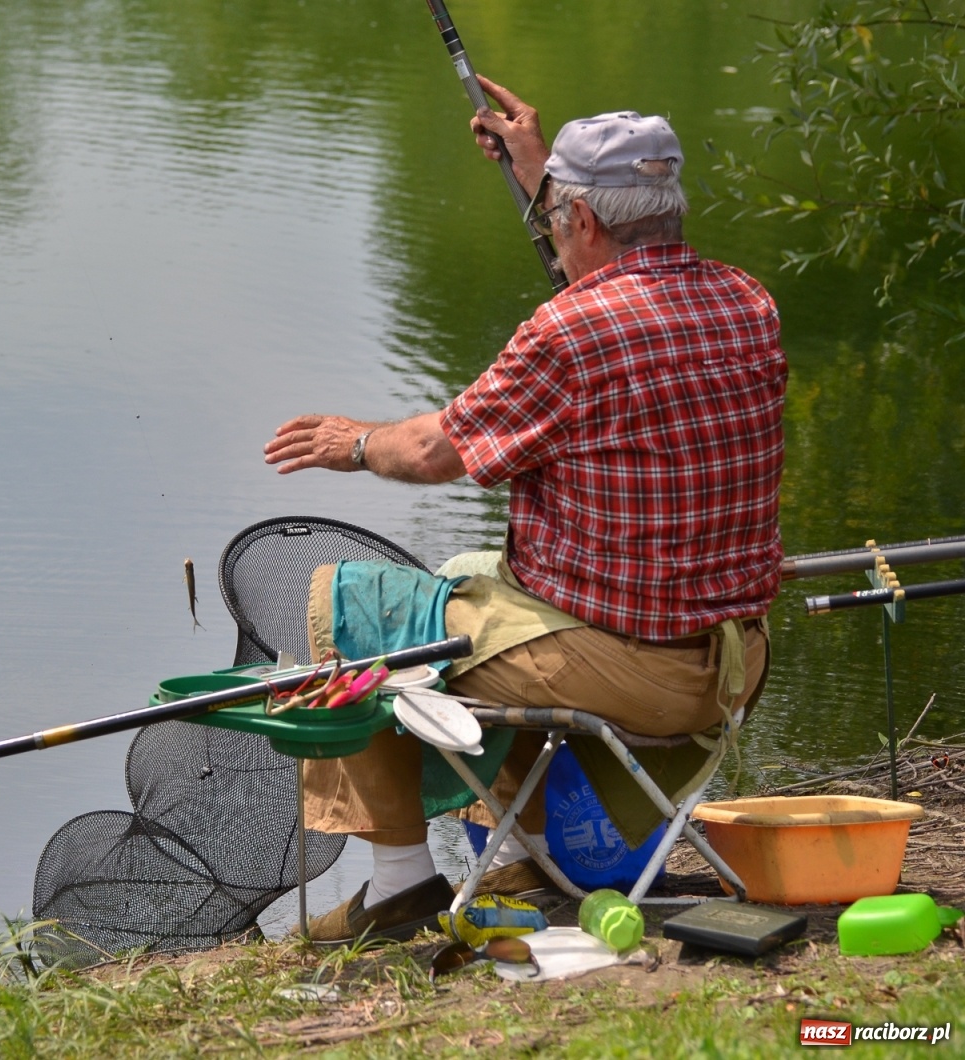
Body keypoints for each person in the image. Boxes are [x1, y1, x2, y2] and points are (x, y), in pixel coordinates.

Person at [262, 78, 785, 946]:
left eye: (556, 221)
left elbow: (437, 451)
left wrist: (355, 441)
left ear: (581, 222)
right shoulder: (748, 304)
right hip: (731, 661)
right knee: (466, 577)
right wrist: (545, 173)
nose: (550, 232)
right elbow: (633, 290)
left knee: (347, 605)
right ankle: (533, 856)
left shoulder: (570, 333)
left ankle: (398, 886)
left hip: (629, 673)